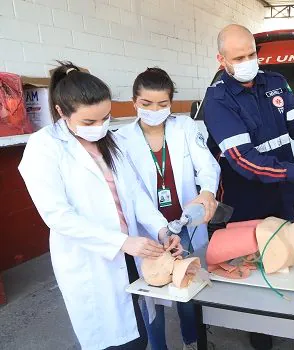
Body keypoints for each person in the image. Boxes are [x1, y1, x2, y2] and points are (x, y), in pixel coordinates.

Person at [203, 24, 294, 350]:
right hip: (245, 199)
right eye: (238, 57)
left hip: (280, 192)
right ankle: (259, 333)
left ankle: (285, 314)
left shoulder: (276, 83)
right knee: (251, 263)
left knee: (284, 253)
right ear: (221, 60)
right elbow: (244, 160)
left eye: (252, 54)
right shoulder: (218, 102)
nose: (248, 61)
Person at [18, 62, 181, 350]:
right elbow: (58, 216)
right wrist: (121, 242)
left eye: (105, 118)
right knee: (114, 342)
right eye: (89, 122)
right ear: (61, 112)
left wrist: (161, 230)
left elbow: (134, 194)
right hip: (93, 261)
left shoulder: (111, 142)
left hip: (130, 255)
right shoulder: (43, 147)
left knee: (139, 333)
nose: (100, 127)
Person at [117, 67, 220, 350]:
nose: (154, 110)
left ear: (171, 103)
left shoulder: (185, 127)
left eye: (162, 104)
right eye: (146, 104)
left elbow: (207, 164)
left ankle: (192, 341)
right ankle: (158, 346)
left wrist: (207, 193)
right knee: (151, 294)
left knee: (186, 286)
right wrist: (158, 229)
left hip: (185, 223)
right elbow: (133, 194)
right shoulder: (120, 140)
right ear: (133, 102)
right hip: (148, 229)